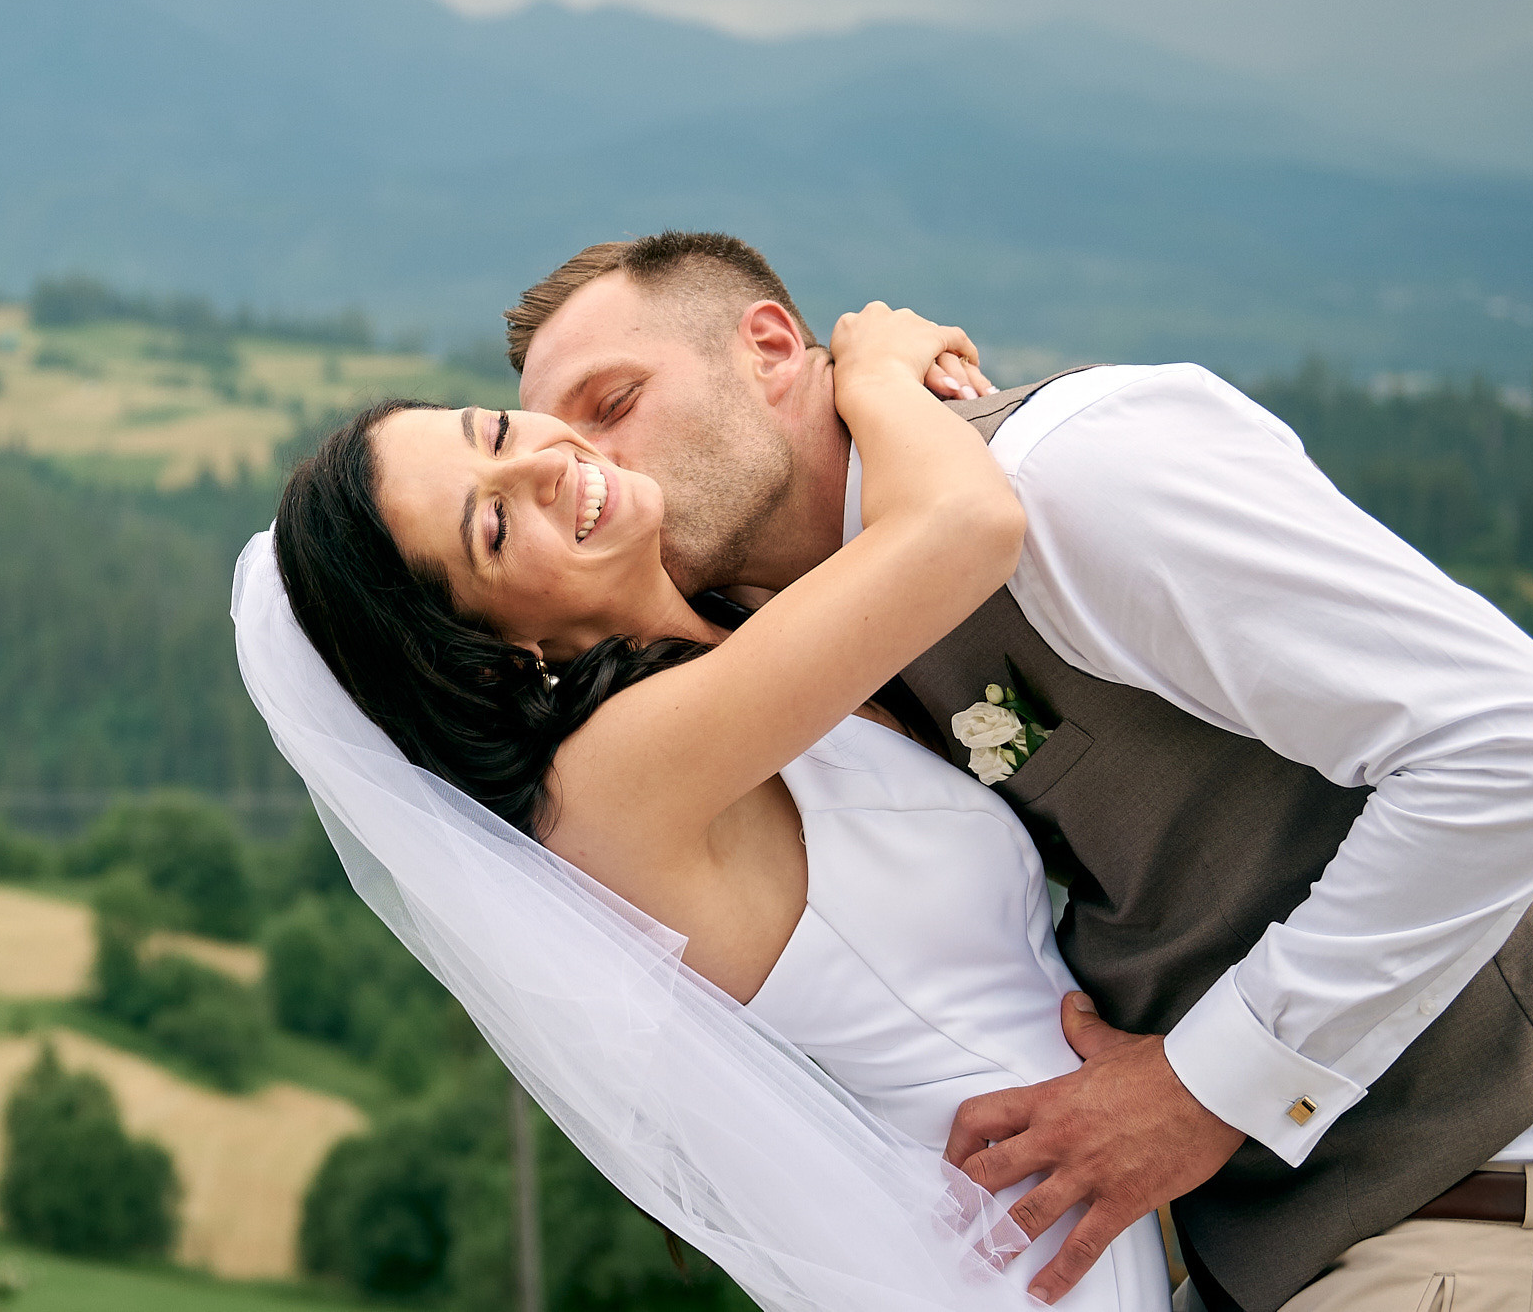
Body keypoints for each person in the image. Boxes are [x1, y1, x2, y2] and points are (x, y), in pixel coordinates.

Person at [508, 230, 1533, 1312]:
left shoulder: (1070, 473)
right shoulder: (794, 650)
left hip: (1487, 1216)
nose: (588, 466)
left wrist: (1199, 1087)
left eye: (612, 404)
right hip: (1277, 1259)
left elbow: (1525, 750)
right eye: (551, 443)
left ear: (768, 346)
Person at [243, 301, 1171, 1310]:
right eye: (495, 525)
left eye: (497, 434)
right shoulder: (607, 780)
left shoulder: (728, 638)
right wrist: (867, 372)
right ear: (489, 654)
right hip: (1030, 1256)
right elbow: (967, 524)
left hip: (1088, 1187)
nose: (542, 464)